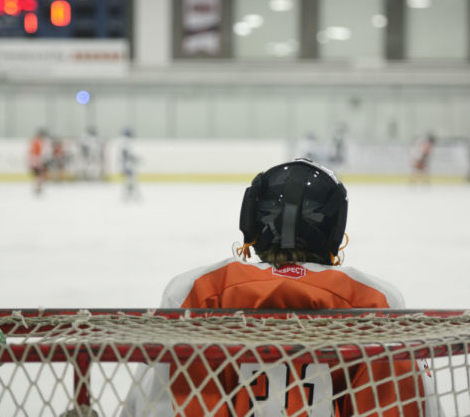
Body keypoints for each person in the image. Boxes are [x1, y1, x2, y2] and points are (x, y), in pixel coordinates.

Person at [121, 159, 441, 417]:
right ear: (334, 230)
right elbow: (408, 406)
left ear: (252, 224)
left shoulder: (199, 290)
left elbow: (152, 405)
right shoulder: (374, 300)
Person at [27, 128, 52, 194]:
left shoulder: (36, 141)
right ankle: (38, 187)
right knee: (39, 175)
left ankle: (38, 187)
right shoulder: (38, 142)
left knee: (39, 175)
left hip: (36, 161)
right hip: (37, 161)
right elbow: (39, 153)